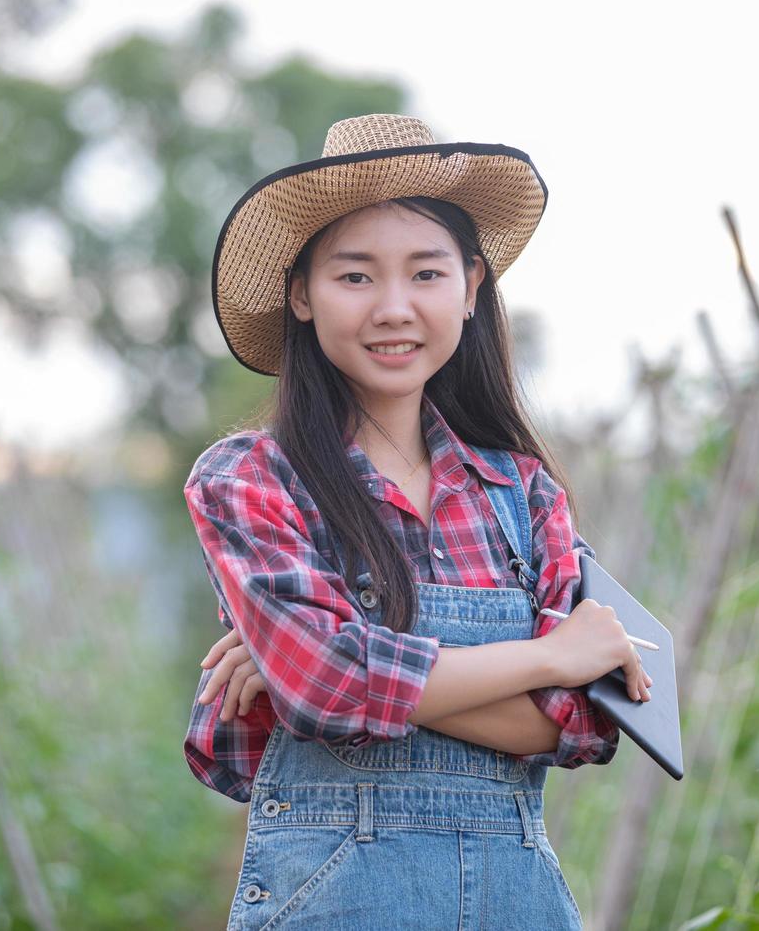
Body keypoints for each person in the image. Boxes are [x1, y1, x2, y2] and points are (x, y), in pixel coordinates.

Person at [182, 113, 653, 930]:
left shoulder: (525, 492)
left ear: (471, 288)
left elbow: (580, 728)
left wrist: (318, 672)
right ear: (301, 293)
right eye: (355, 277)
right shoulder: (252, 479)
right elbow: (326, 685)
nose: (394, 308)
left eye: (426, 274)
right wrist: (545, 657)